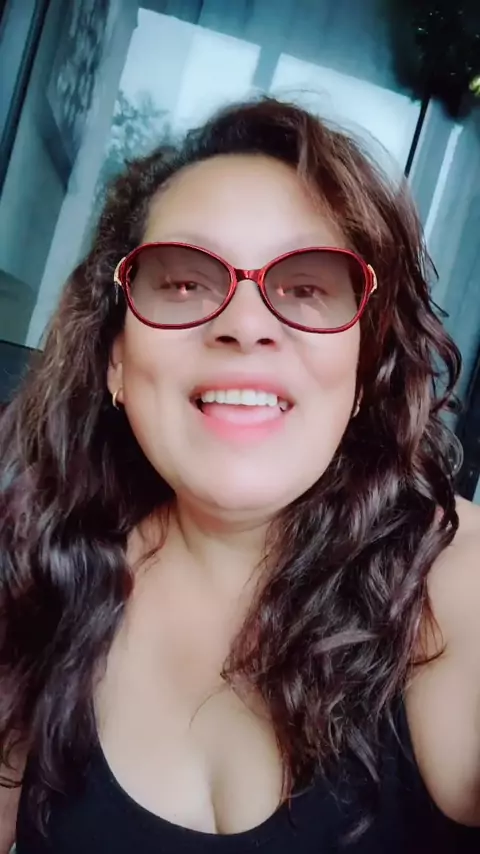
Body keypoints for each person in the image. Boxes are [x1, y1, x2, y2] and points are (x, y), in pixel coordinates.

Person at [0, 97, 479, 854]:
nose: (246, 324)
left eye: (307, 286)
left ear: (362, 370)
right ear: (115, 359)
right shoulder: (36, 582)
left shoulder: (458, 580)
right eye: (184, 283)